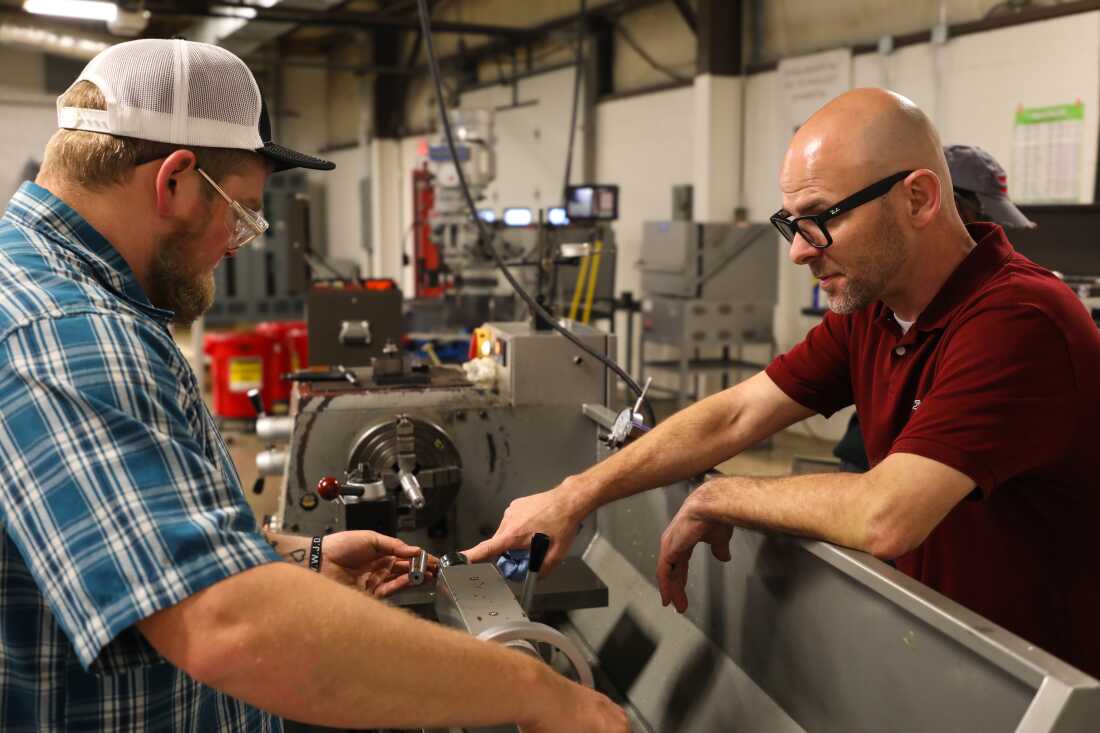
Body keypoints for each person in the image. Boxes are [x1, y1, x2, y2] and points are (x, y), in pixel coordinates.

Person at [0, 38, 627, 733]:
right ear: (173, 180)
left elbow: (120, 542)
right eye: (240, 213)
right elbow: (226, 623)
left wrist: (296, 554)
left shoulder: (51, 294)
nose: (236, 244)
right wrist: (541, 692)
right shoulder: (67, 332)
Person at [466, 88, 1100, 679]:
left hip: (1038, 681)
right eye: (791, 221)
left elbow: (887, 514)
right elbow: (735, 417)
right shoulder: (875, 313)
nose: (799, 250)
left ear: (919, 199)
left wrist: (719, 497)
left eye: (821, 217)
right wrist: (574, 495)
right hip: (941, 652)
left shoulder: (1019, 320)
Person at [832, 143, 1038, 472]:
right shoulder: (869, 305)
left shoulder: (1009, 316)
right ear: (932, 204)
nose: (987, 234)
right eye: (981, 220)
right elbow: (740, 414)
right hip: (869, 463)